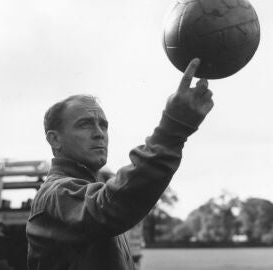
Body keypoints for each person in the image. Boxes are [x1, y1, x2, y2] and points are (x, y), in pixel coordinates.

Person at [26, 58, 214, 270]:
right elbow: (111, 205)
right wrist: (174, 127)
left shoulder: (89, 191)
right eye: (85, 124)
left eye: (103, 125)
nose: (99, 133)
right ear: (54, 139)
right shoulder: (54, 195)